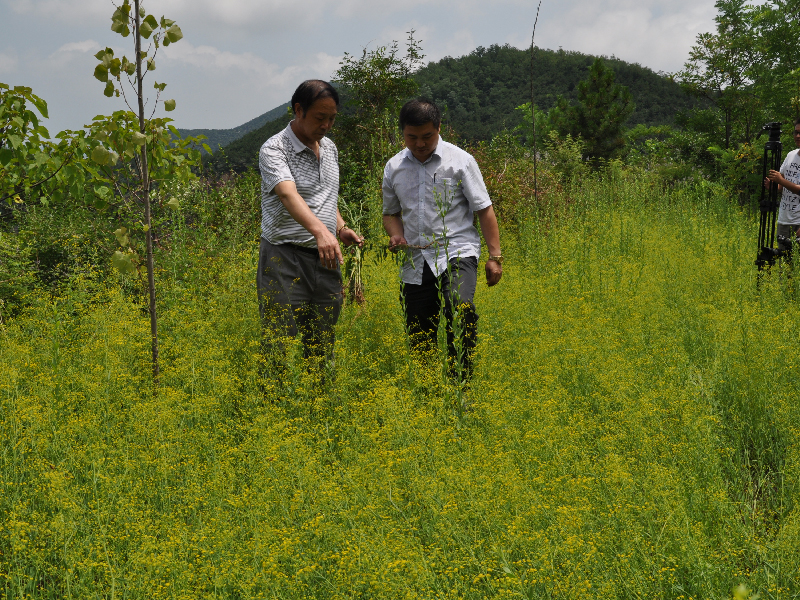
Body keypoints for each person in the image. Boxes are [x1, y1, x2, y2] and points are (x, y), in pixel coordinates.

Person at [382, 98, 502, 380]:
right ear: (402, 133)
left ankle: (461, 384)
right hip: (415, 258)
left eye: (427, 136)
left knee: (460, 308)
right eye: (412, 137)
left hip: (457, 250)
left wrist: (494, 257)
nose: (420, 144)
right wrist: (396, 235)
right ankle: (427, 392)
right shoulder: (394, 167)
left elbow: (484, 209)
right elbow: (390, 213)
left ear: (438, 128)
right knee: (418, 327)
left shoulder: (460, 161)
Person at [257, 80, 363, 382]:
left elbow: (324, 195)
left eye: (332, 118)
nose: (327, 125)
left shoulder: (330, 148)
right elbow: (289, 195)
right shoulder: (274, 149)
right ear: (298, 110)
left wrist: (339, 227)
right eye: (320, 118)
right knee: (279, 338)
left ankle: (318, 405)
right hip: (284, 257)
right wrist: (321, 232)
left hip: (325, 258)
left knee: (322, 339)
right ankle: (272, 406)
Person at [766, 118, 800, 254]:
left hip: (798, 221)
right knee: (784, 264)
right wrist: (773, 186)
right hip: (784, 219)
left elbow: (784, 182)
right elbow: (782, 187)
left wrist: (780, 180)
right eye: (796, 132)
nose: (797, 136)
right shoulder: (791, 155)